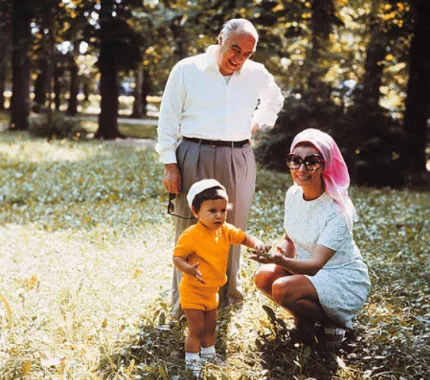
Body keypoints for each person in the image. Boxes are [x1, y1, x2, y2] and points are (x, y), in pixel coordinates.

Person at [156, 18, 284, 313]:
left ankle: (229, 295)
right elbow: (167, 118)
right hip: (193, 151)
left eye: (247, 54)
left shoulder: (256, 73)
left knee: (233, 225)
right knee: (190, 228)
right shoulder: (187, 69)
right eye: (234, 49)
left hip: (238, 154)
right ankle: (183, 301)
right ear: (220, 39)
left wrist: (255, 124)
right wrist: (170, 164)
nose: (238, 59)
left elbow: (274, 100)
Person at [251, 128, 370, 346]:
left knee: (282, 288)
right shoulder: (293, 194)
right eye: (295, 160)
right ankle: (303, 321)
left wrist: (283, 262)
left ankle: (334, 324)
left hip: (340, 278)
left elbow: (315, 265)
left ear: (325, 165)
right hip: (305, 269)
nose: (301, 168)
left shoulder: (339, 211)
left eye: (312, 161)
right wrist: (274, 256)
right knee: (263, 276)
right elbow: (289, 240)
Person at [173, 179, 270, 375]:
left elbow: (242, 237)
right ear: (195, 211)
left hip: (212, 291)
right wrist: (189, 269)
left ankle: (209, 354)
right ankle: (192, 362)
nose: (219, 215)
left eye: (223, 210)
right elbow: (177, 257)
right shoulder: (192, 235)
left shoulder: (225, 231)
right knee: (197, 329)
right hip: (193, 292)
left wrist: (257, 243)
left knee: (210, 327)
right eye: (212, 211)